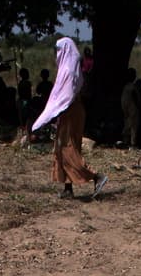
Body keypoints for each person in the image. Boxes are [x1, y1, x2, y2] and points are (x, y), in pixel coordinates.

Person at [31, 37, 107, 200]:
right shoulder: (70, 69)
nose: (56, 54)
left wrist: (51, 115)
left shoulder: (68, 71)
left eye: (58, 51)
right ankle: (67, 188)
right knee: (62, 148)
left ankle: (96, 176)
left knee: (67, 148)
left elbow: (65, 98)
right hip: (70, 111)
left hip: (70, 112)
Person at [120, 67, 141, 148]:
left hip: (125, 108)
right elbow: (135, 98)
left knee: (127, 123)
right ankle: (132, 143)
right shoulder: (132, 87)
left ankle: (126, 141)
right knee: (133, 125)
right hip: (132, 108)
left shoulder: (124, 87)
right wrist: (138, 105)